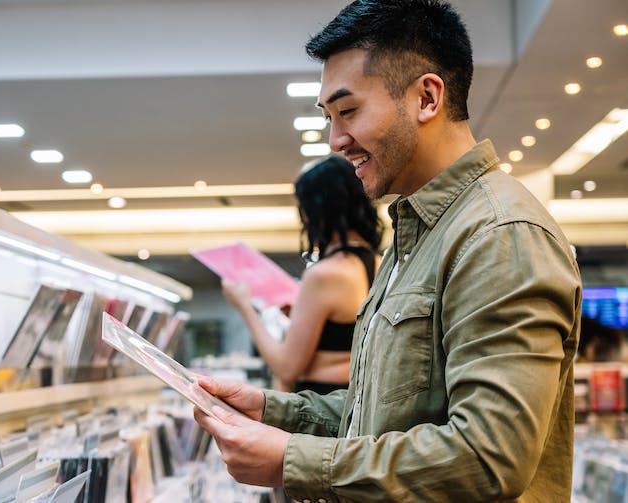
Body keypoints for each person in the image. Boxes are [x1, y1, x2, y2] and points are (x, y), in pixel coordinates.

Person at [193, 0, 583, 501]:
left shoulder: (498, 233)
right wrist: (273, 411)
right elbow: (376, 415)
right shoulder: (414, 235)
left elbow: (489, 456)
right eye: (329, 117)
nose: (335, 140)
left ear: (426, 98)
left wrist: (292, 459)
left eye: (348, 111)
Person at [222, 155, 383, 394]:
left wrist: (245, 307)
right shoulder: (380, 264)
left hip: (323, 404)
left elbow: (286, 369)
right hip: (360, 400)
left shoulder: (324, 275)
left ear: (313, 211)